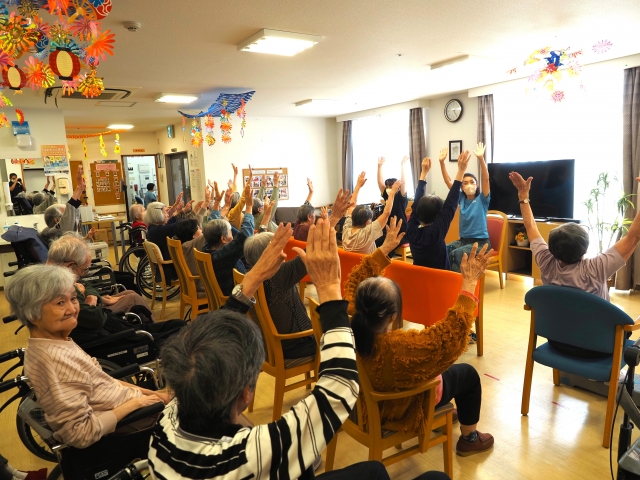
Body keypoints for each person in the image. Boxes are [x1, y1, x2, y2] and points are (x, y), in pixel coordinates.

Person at [149, 219, 374, 479]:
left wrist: (253, 277)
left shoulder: (165, 424)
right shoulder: (251, 455)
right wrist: (329, 288)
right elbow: (341, 386)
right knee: (374, 471)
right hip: (295, 347)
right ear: (246, 394)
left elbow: (214, 332)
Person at [345, 229, 496, 457]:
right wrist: (469, 282)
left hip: (365, 400)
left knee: (447, 372)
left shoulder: (345, 324)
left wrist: (383, 251)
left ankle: (449, 415)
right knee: (467, 374)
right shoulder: (399, 348)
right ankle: (470, 438)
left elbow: (354, 282)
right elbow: (449, 338)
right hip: (401, 406)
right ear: (393, 316)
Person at [6, 264, 171, 449]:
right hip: (137, 423)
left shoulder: (59, 341)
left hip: (138, 405)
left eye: (73, 299)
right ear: (32, 314)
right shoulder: (52, 362)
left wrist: (153, 394)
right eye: (60, 303)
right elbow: (80, 434)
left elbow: (103, 380)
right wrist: (137, 403)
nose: (72, 309)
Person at [510, 172, 640, 357]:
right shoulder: (596, 268)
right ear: (585, 249)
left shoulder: (546, 262)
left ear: (551, 249)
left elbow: (530, 227)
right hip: (597, 348)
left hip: (558, 342)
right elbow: (634, 237)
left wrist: (523, 197)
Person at [46, 235, 185, 345]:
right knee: (179, 328)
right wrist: (93, 302)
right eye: (84, 270)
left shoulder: (59, 277)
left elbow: (86, 285)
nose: (83, 275)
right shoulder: (61, 288)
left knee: (177, 325)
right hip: (109, 334)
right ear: (70, 265)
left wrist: (93, 296)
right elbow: (95, 317)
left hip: (109, 324)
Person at [406, 151, 472, 270]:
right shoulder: (436, 231)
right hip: (439, 278)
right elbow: (451, 203)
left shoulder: (411, 230)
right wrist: (461, 171)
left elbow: (415, 206)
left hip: (418, 277)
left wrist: (423, 174)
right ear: (438, 215)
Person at [439, 143, 492, 272]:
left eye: (472, 182)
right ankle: (444, 278)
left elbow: (486, 179)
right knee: (443, 249)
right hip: (463, 241)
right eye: (465, 183)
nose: (469, 185)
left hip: (481, 243)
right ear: (461, 187)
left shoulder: (482, 199)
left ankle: (458, 281)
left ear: (477, 185)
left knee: (456, 254)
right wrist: (441, 162)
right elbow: (448, 181)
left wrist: (481, 158)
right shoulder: (461, 198)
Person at [201, 180, 255, 296]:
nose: (233, 235)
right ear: (223, 239)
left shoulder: (208, 246)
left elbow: (212, 222)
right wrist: (249, 207)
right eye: (230, 232)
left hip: (225, 290)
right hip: (236, 296)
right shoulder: (224, 255)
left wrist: (222, 205)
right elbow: (245, 237)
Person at [342, 172, 401, 254]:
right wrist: (392, 193)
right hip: (367, 262)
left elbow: (352, 206)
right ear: (367, 222)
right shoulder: (368, 232)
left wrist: (358, 185)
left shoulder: (346, 229)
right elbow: (386, 213)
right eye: (370, 219)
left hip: (351, 262)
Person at [39, 166, 94, 248]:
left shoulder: (62, 233)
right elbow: (70, 211)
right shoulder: (54, 233)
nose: (68, 215)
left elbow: (73, 210)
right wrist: (78, 187)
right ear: (57, 220)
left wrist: (86, 237)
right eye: (65, 214)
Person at [145, 193, 185, 282]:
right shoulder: (159, 231)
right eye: (165, 212)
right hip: (171, 269)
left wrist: (178, 212)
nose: (167, 215)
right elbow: (175, 226)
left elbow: (169, 224)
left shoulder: (152, 228)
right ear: (158, 214)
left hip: (164, 268)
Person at [376, 156, 410, 254]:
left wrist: (402, 165)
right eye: (387, 186)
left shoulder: (401, 196)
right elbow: (380, 182)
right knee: (375, 242)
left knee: (387, 247)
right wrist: (379, 166)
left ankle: (385, 260)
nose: (388, 187)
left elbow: (403, 182)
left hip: (400, 232)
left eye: (390, 186)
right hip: (387, 230)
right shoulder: (387, 196)